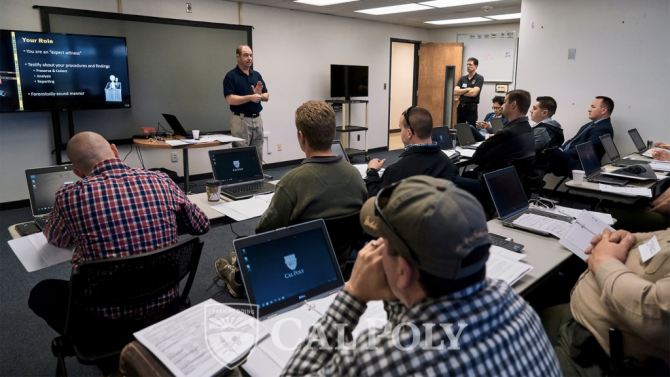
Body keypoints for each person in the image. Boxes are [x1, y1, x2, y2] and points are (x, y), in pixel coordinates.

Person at [281, 176, 561, 377]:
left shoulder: (376, 359)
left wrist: (354, 293)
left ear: (403, 271)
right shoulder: (511, 300)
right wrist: (398, 285)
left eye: (382, 244)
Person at [28, 131, 210, 331]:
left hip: (106, 319)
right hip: (165, 306)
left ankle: (98, 344)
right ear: (115, 151)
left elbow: (56, 239)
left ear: (78, 173)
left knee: (41, 292)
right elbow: (200, 225)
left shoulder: (69, 196)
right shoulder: (161, 180)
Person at [216, 101, 367, 296]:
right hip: (340, 267)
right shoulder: (355, 176)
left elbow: (263, 230)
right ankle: (240, 267)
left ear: (301, 137)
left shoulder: (292, 182)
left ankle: (239, 278)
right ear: (333, 133)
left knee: (246, 242)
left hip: (296, 271)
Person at [541, 228, 670, 376]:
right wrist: (625, 240)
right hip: (578, 317)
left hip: (598, 358)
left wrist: (604, 261)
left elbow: (658, 314)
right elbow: (664, 235)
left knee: (513, 341)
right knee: (534, 311)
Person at [365, 106, 457, 196]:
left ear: (409, 133)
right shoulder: (448, 163)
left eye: (401, 129)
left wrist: (371, 171)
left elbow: (376, 198)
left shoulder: (398, 170)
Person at [468, 89, 535, 177]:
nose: (502, 106)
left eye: (504, 102)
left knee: (452, 179)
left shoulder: (507, 133)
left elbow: (477, 159)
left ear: (513, 104)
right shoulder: (528, 129)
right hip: (511, 182)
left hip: (492, 183)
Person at [547, 96, 614, 177]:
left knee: (546, 154)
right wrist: (561, 149)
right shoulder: (591, 124)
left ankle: (533, 182)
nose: (589, 109)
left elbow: (585, 149)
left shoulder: (604, 128)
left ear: (603, 110)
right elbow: (573, 140)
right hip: (571, 158)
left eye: (593, 107)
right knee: (545, 155)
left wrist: (562, 154)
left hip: (580, 164)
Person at [224, 45, 269, 161]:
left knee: (258, 152)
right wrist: (250, 97)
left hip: (257, 119)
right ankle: (243, 179)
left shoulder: (256, 75)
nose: (249, 58)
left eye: (250, 55)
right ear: (238, 57)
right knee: (242, 154)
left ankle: (258, 178)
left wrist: (259, 96)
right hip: (241, 120)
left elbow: (267, 96)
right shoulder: (231, 76)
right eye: (246, 55)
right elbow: (230, 99)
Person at [454, 57, 484, 127]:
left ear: (476, 66)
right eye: (467, 65)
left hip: (471, 108)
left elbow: (474, 93)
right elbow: (455, 92)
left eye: (470, 65)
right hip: (461, 107)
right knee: (460, 129)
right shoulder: (462, 78)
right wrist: (468, 89)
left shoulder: (479, 78)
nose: (468, 66)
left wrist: (461, 91)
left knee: (472, 128)